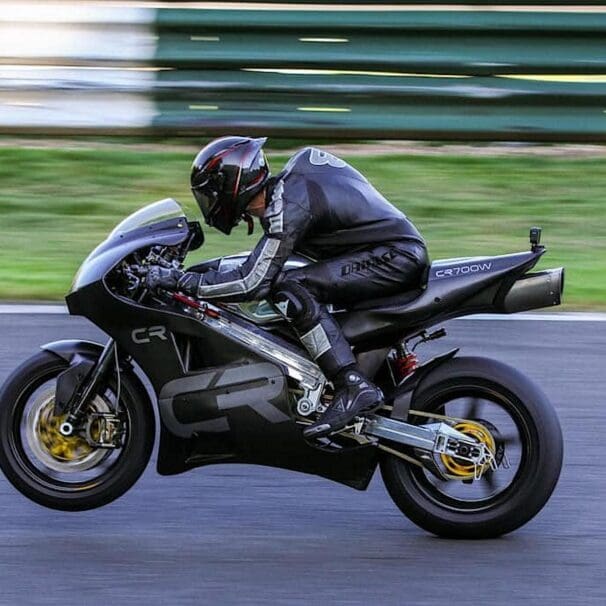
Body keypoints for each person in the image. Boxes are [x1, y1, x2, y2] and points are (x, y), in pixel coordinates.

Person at [147, 136, 429, 438]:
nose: (209, 202)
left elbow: (251, 281)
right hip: (387, 253)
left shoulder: (290, 202)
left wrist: (183, 282)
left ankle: (351, 384)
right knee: (292, 282)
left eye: (209, 193)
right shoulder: (290, 190)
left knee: (290, 287)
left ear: (231, 184)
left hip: (395, 258)